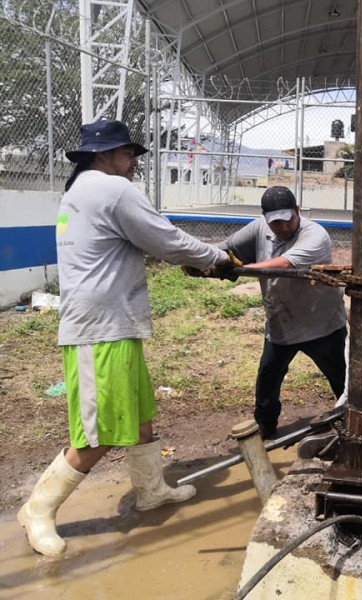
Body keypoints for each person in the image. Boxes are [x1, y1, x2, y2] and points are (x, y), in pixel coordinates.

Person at [18, 120, 237, 557]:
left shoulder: (80, 190)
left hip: (112, 323)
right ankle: (37, 509)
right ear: (103, 155)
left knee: (138, 415)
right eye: (127, 153)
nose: (134, 161)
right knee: (99, 433)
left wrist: (189, 258)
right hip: (99, 330)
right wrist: (218, 260)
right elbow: (165, 238)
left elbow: (136, 244)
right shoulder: (112, 189)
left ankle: (151, 490)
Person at [219, 186, 347, 439]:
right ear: (265, 218)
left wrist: (236, 270)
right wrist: (209, 261)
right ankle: (265, 428)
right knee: (268, 378)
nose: (283, 227)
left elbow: (284, 264)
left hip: (321, 324)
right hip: (281, 324)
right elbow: (227, 248)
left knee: (341, 377)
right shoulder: (259, 228)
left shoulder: (315, 235)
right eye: (275, 223)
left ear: (297, 212)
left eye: (287, 220)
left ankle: (351, 420)